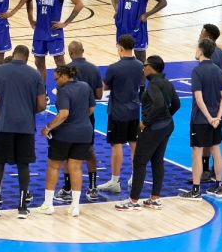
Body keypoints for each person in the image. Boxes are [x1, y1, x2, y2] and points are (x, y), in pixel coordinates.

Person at [0, 45, 46, 219]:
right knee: (23, 164)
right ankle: (22, 207)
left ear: (13, 54)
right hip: (25, 126)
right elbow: (42, 105)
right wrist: (29, 113)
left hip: (3, 125)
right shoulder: (35, 74)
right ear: (27, 57)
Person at [115, 55, 180, 211]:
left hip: (154, 128)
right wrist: (166, 117)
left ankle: (133, 201)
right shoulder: (167, 83)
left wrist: (146, 122)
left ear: (152, 67)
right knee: (157, 161)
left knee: (139, 161)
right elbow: (176, 104)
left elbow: (158, 106)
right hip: (167, 126)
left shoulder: (154, 85)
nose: (143, 68)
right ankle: (155, 199)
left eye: (145, 65)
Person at [36, 66, 95, 217]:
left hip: (65, 134)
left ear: (64, 75)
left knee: (54, 167)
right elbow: (91, 110)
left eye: (56, 78)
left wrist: (48, 128)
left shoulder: (63, 91)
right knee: (76, 168)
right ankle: (75, 207)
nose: (56, 82)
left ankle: (48, 204)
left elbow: (63, 114)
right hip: (85, 132)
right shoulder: (85, 86)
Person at [179, 39, 222, 201]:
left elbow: (199, 99)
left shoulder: (197, 71)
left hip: (200, 119)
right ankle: (219, 186)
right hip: (216, 119)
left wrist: (208, 118)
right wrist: (217, 118)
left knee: (197, 152)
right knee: (216, 150)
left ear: (200, 51)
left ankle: (195, 189)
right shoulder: (219, 71)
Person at [55, 41, 103, 202]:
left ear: (69, 53)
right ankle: (93, 187)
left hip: (68, 117)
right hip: (86, 118)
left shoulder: (65, 71)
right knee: (88, 151)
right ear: (83, 51)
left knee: (67, 154)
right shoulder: (94, 68)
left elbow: (61, 96)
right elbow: (99, 95)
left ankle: (68, 189)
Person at [25, 0, 85, 85]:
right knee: (38, 61)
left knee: (59, 61)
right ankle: (43, 90)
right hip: (40, 30)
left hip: (54, 31)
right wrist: (30, 18)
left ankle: (67, 87)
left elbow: (79, 4)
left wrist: (66, 22)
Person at [98, 35, 143, 193]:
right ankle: (136, 176)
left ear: (121, 48)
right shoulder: (140, 65)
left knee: (116, 144)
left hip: (118, 112)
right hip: (134, 111)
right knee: (134, 143)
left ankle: (115, 181)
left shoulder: (114, 67)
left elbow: (104, 87)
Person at [111, 0, 168, 64]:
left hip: (137, 25)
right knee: (123, 58)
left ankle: (141, 80)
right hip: (122, 24)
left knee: (141, 60)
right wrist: (117, 9)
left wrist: (147, 14)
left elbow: (163, 2)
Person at [197, 24, 222, 181]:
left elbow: (201, 91)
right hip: (218, 104)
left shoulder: (208, 61)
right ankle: (213, 175)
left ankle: (203, 170)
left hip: (208, 104)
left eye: (202, 32)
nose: (199, 34)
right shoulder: (221, 53)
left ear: (208, 36)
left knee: (204, 140)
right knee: (214, 141)